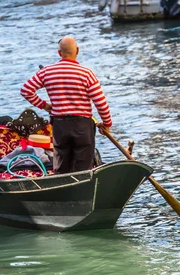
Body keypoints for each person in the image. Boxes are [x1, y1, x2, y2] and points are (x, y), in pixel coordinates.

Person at [20, 37, 112, 174]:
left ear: (59, 53)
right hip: (83, 127)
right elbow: (100, 102)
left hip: (60, 126)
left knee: (62, 167)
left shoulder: (47, 71)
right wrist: (106, 123)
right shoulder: (87, 74)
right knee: (83, 170)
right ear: (77, 51)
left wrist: (45, 106)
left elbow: (26, 90)